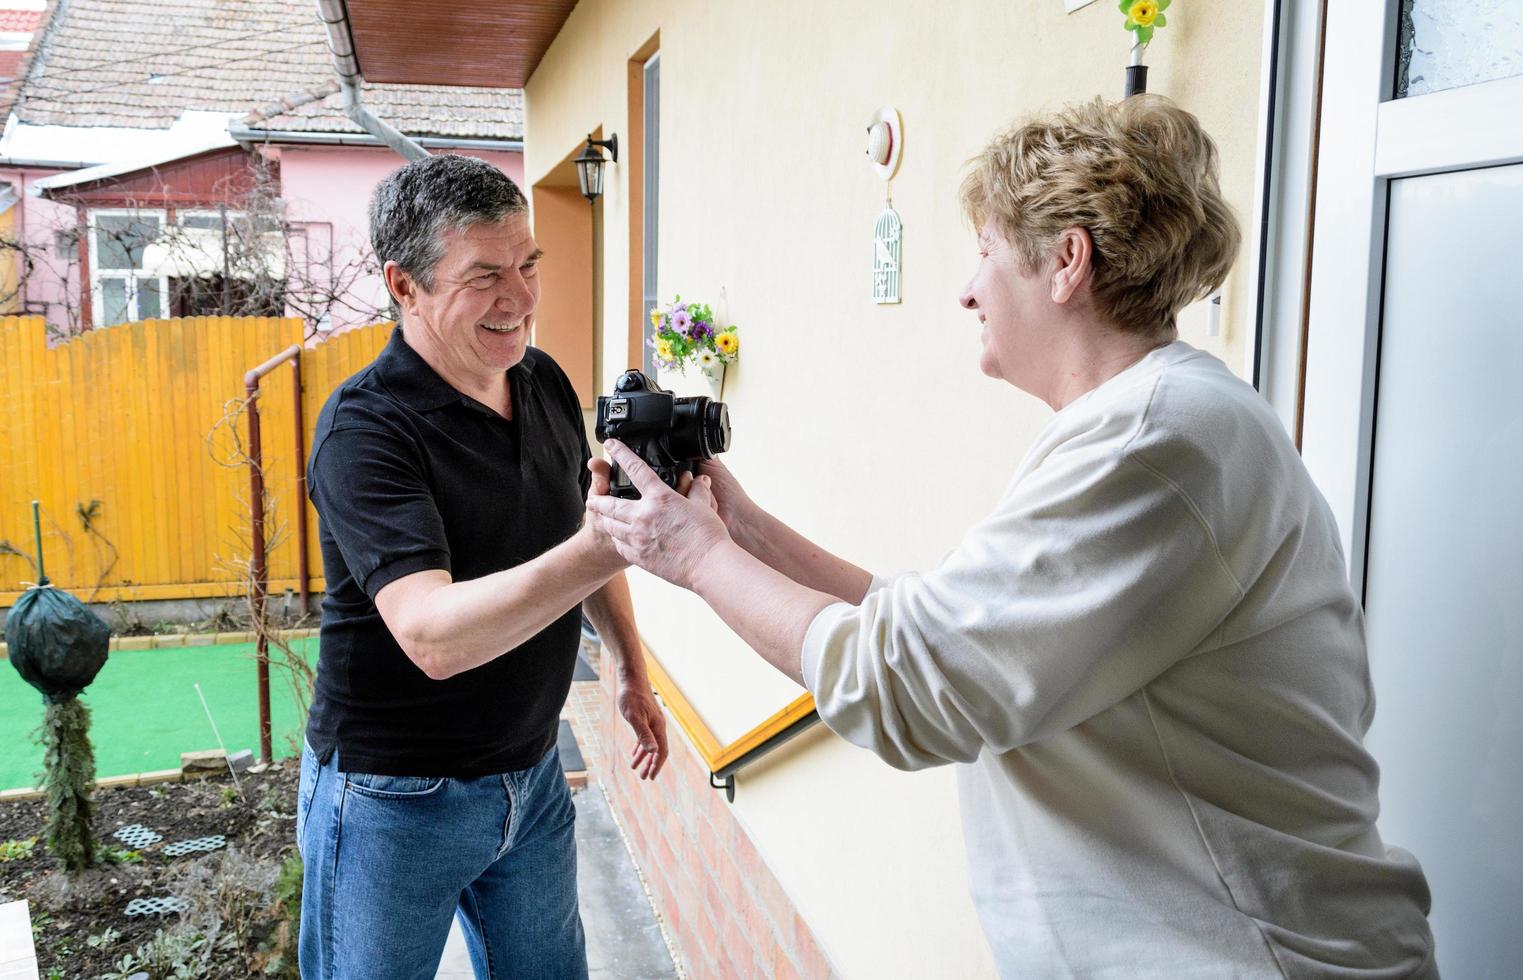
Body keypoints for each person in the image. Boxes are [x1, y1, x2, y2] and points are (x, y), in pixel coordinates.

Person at [585, 97, 1437, 977]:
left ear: (1067, 261)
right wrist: (744, 531)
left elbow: (907, 688)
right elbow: (935, 626)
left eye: (985, 251)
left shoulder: (1155, 442)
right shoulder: (1146, 421)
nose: (965, 288)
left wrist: (695, 556)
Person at [297, 154, 668, 980]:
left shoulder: (539, 381)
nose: (524, 299)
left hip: (531, 781)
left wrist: (630, 669)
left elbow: (585, 528)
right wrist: (605, 543)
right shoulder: (365, 431)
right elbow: (432, 637)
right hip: (391, 804)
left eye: (529, 264)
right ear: (404, 285)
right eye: (485, 276)